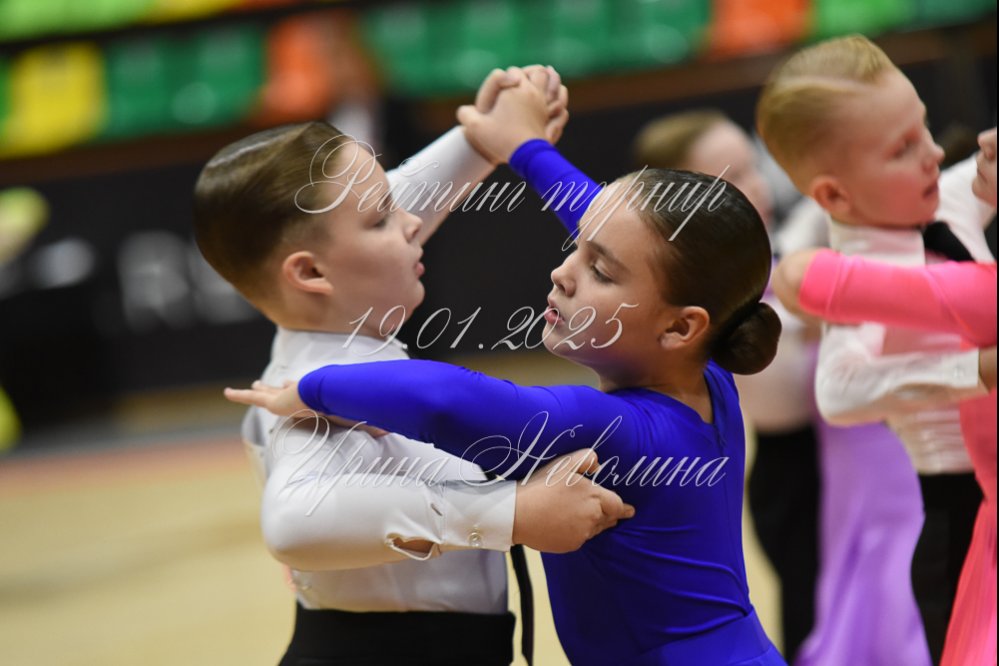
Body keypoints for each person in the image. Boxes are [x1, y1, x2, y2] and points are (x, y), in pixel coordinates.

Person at [226, 74, 788, 665]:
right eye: (578, 248)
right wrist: (526, 148)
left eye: (599, 271)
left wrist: (310, 389)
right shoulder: (710, 365)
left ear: (679, 327)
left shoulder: (616, 429)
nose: (563, 273)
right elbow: (630, 237)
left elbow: (444, 399)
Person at [194, 66, 635, 666]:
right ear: (311, 272)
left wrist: (483, 139)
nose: (410, 222)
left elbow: (387, 203)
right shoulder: (317, 394)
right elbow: (293, 523)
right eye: (382, 218)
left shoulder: (327, 330)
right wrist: (510, 512)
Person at [632, 108, 932, 665]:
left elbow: (813, 223)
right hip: (795, 479)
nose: (758, 187)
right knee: (816, 619)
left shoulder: (776, 254)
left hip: (852, 467)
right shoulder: (710, 298)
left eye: (754, 166)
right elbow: (785, 344)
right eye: (732, 178)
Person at [756, 35, 996, 661]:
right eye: (903, 149)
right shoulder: (854, 284)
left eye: (924, 129)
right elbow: (839, 392)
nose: (934, 153)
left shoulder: (944, 195)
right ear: (835, 196)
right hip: (961, 513)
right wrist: (975, 370)